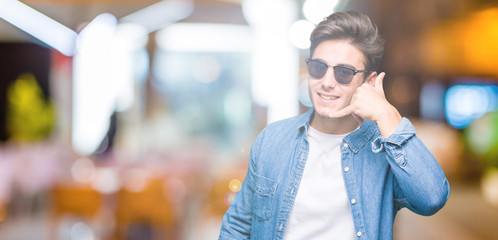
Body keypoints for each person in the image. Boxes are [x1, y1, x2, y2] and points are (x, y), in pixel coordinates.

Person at [218, 11, 450, 240]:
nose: (327, 82)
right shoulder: (273, 139)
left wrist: (387, 114)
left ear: (368, 82)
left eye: (344, 72)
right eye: (319, 67)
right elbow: (238, 225)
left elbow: (431, 198)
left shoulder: (383, 150)